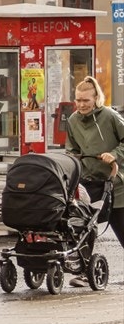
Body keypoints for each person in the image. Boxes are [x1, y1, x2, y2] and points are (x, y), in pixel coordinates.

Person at [62, 76, 124, 283]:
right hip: (88, 181)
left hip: (116, 181)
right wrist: (71, 160)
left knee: (121, 226)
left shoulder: (110, 116)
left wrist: (114, 154)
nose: (81, 104)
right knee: (84, 226)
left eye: (86, 100)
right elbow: (72, 149)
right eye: (78, 100)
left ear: (96, 98)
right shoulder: (72, 120)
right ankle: (83, 272)